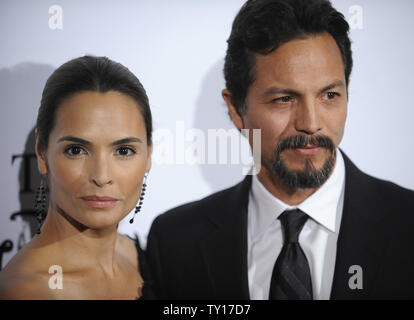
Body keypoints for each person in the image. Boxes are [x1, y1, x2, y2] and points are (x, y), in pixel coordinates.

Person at [145, 0, 414, 300]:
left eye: (329, 95)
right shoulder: (175, 243)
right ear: (236, 109)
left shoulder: (407, 225)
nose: (311, 124)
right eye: (284, 99)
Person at [0, 55, 153, 299]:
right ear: (42, 153)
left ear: (149, 155)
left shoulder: (140, 256)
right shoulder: (25, 291)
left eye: (124, 151)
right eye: (76, 150)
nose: (101, 177)